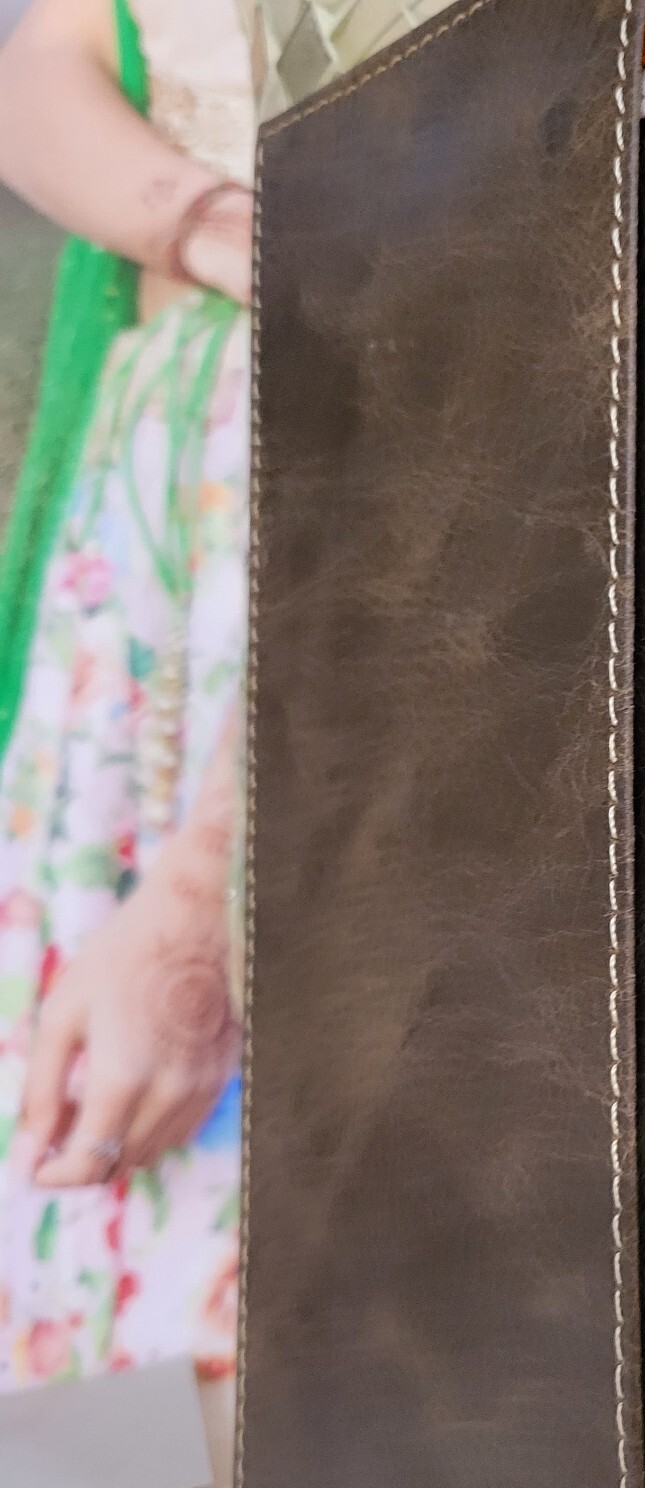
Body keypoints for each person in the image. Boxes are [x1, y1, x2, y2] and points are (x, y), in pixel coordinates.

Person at [0, 0, 253, 1388]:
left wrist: (207, 894)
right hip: (157, 502)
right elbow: (49, 66)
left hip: (364, 451)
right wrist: (209, 224)